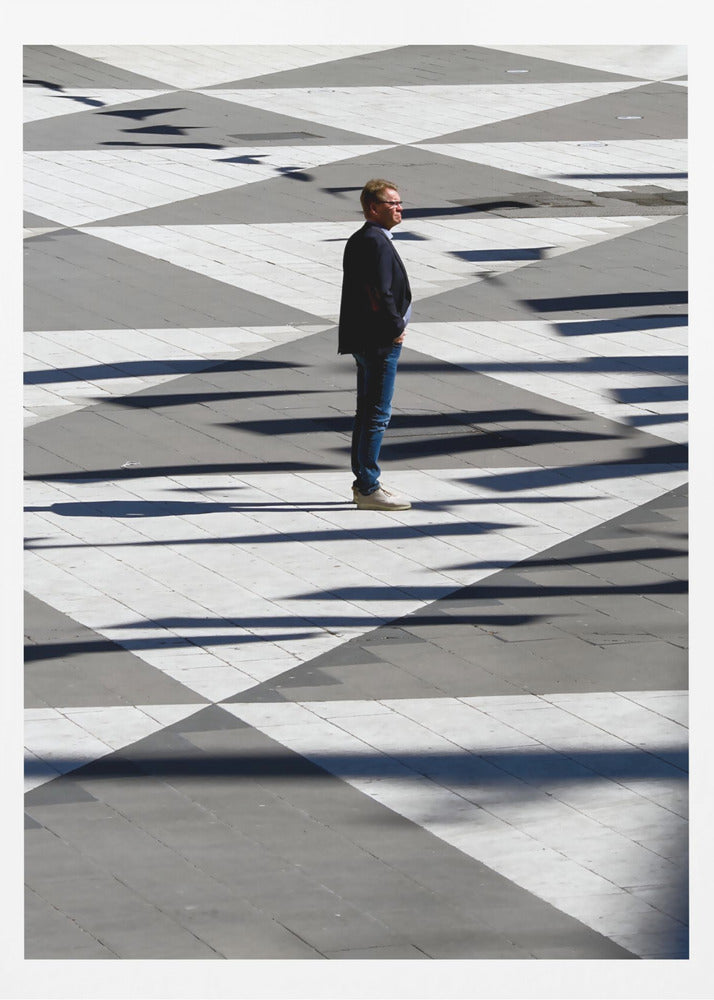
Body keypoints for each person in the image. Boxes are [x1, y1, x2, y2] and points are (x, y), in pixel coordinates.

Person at [338, 178, 413, 511]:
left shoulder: (362, 239)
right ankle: (368, 486)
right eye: (392, 203)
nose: (399, 208)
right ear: (372, 208)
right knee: (377, 415)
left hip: (365, 339)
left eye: (399, 202)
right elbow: (379, 293)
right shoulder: (376, 242)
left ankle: (364, 483)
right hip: (380, 342)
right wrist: (396, 326)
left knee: (366, 412)